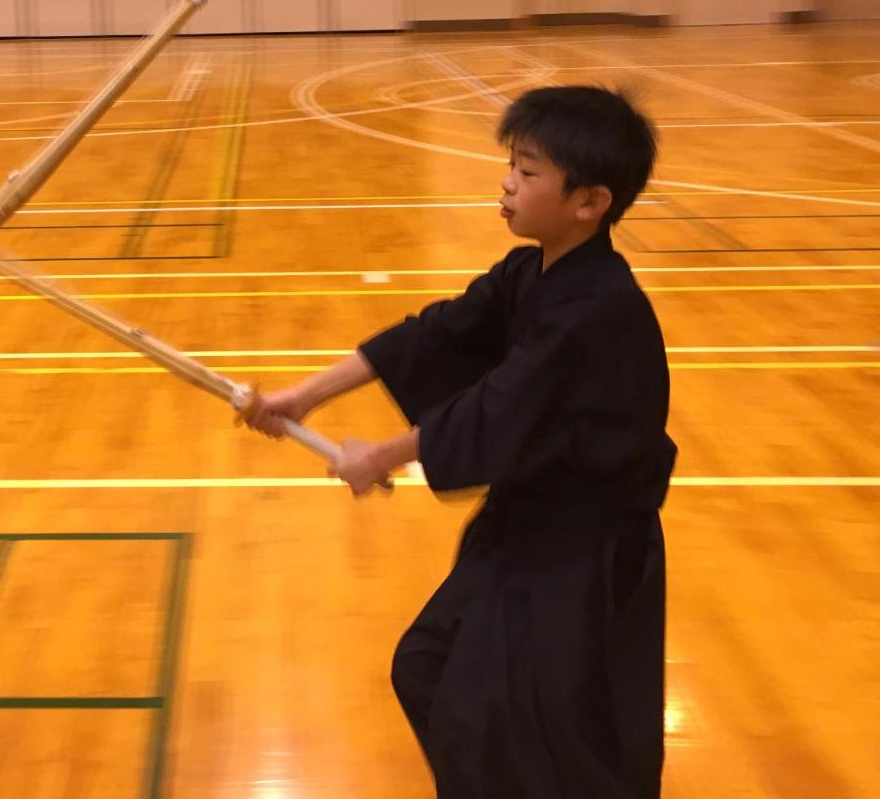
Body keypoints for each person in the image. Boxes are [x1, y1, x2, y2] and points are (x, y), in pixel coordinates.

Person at [245, 85, 676, 798]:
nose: (507, 181)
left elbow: (499, 408)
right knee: (430, 667)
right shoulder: (529, 272)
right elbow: (435, 333)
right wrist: (304, 395)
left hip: (583, 557)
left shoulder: (598, 307)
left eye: (529, 170)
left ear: (588, 203)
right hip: (521, 533)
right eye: (511, 163)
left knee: (537, 728)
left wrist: (377, 456)